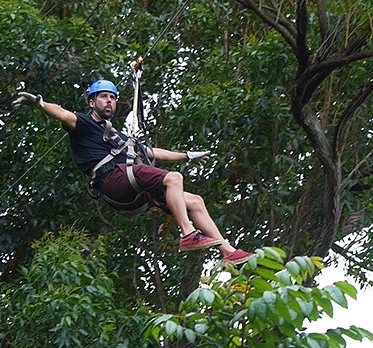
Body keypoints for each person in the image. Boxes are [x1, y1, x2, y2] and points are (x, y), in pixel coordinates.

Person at [15, 79, 254, 265]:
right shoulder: (85, 125)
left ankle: (228, 252)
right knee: (173, 178)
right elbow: (64, 115)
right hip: (113, 180)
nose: (109, 101)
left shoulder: (119, 137)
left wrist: (187, 156)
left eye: (112, 98)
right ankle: (188, 233)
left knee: (195, 201)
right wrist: (41, 104)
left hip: (131, 188)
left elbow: (154, 152)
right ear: (92, 102)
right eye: (103, 97)